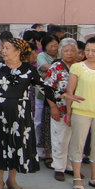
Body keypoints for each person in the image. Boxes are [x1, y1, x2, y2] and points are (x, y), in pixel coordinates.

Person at [0, 39, 56, 189]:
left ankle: (12, 180)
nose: (3, 51)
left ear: (18, 52)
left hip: (21, 114)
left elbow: (44, 87)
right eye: (3, 48)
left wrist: (62, 96)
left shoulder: (28, 70)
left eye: (7, 48)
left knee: (17, 145)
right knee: (0, 145)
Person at [65, 36, 95, 189]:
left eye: (94, 50)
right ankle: (77, 177)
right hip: (81, 111)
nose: (90, 53)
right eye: (87, 50)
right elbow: (70, 91)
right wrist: (69, 112)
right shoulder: (77, 67)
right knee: (77, 144)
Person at [43, 38, 78, 181]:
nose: (69, 53)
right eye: (66, 50)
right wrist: (53, 107)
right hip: (60, 108)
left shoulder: (79, 66)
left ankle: (70, 166)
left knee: (74, 139)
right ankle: (58, 167)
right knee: (59, 139)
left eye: (72, 50)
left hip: (78, 110)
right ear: (60, 52)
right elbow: (47, 88)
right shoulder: (56, 67)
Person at [36, 34, 60, 166]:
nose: (54, 48)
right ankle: (41, 149)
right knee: (40, 122)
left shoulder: (61, 55)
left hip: (59, 95)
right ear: (45, 47)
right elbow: (44, 67)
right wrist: (60, 67)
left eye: (56, 45)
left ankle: (55, 151)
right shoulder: (42, 55)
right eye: (51, 46)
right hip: (43, 94)